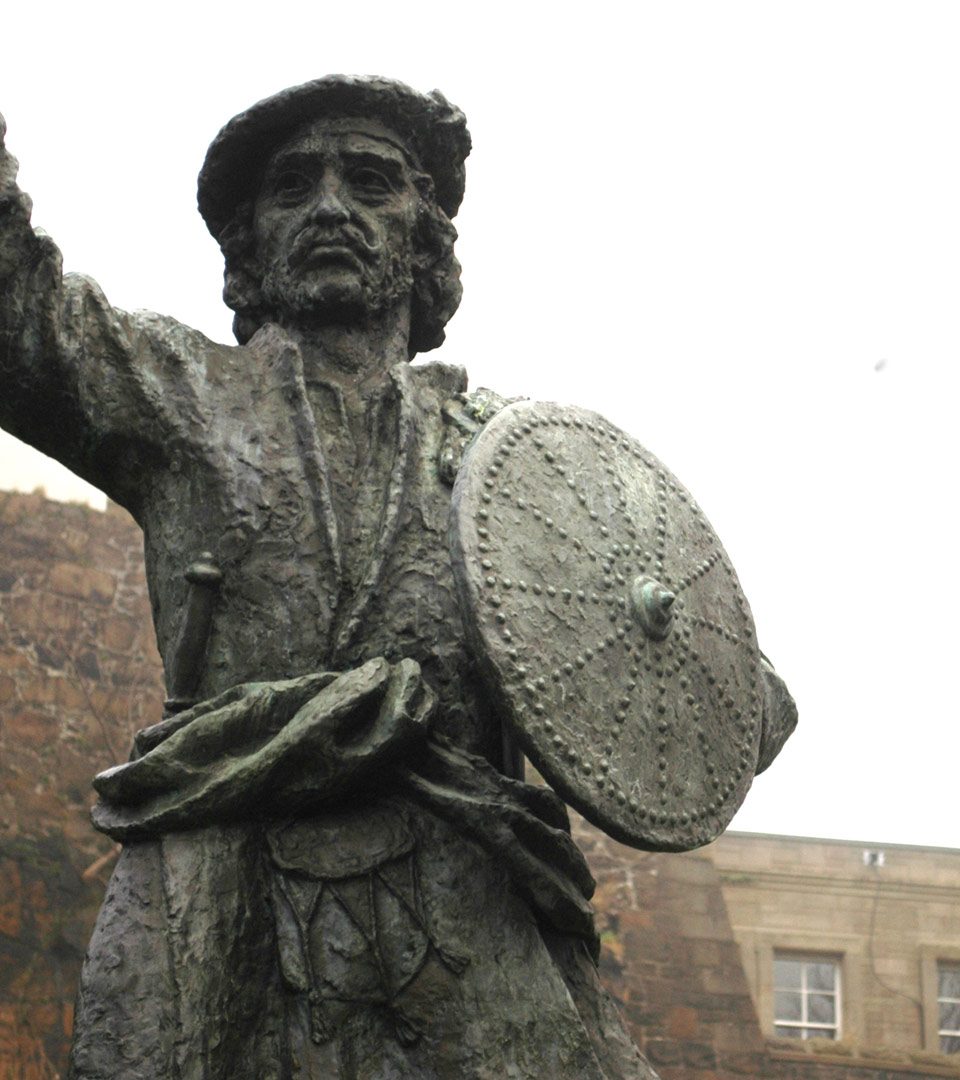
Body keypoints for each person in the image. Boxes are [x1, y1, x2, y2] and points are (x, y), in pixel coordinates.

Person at [1, 77, 663, 1078]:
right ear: (251, 242)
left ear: (426, 238)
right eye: (292, 185)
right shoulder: (180, 394)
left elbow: (676, 680)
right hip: (222, 901)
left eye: (370, 181)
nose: (328, 208)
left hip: (464, 927)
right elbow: (21, 321)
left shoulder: (513, 467)